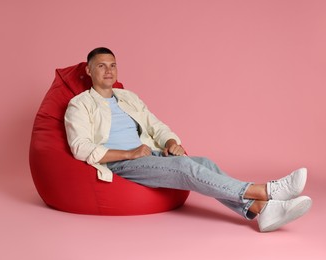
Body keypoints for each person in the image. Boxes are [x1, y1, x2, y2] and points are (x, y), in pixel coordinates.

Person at [64, 47, 312, 232]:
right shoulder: (79, 104)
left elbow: (155, 125)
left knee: (203, 161)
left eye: (113, 65)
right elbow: (80, 147)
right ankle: (265, 191)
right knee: (184, 168)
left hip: (149, 154)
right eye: (101, 66)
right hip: (120, 163)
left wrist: (171, 141)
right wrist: (129, 154)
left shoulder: (127, 97)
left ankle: (262, 210)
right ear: (88, 70)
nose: (109, 71)